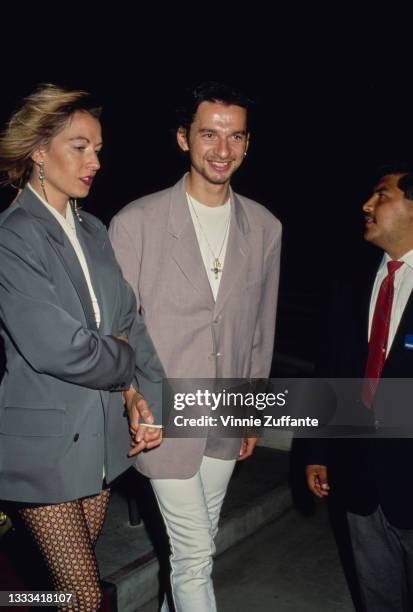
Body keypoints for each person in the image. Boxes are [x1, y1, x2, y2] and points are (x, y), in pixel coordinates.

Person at [109, 81, 282, 611]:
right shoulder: (136, 222)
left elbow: (260, 329)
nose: (222, 150)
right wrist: (132, 399)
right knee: (195, 555)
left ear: (248, 143)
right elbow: (116, 328)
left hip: (226, 413)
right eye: (209, 134)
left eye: (235, 137)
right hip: (161, 415)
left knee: (195, 547)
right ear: (184, 138)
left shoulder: (267, 227)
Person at [0, 84, 162, 611]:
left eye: (98, 149)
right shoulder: (13, 236)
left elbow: (126, 322)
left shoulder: (92, 229)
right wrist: (121, 358)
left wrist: (135, 393)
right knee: (86, 598)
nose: (95, 160)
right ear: (39, 152)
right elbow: (58, 348)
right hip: (41, 452)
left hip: (98, 448)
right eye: (80, 146)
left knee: (59, 592)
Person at [306, 168, 413, 611]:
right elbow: (330, 372)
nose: (366, 206)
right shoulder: (351, 281)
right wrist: (316, 450)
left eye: (381, 196)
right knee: (379, 598)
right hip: (357, 480)